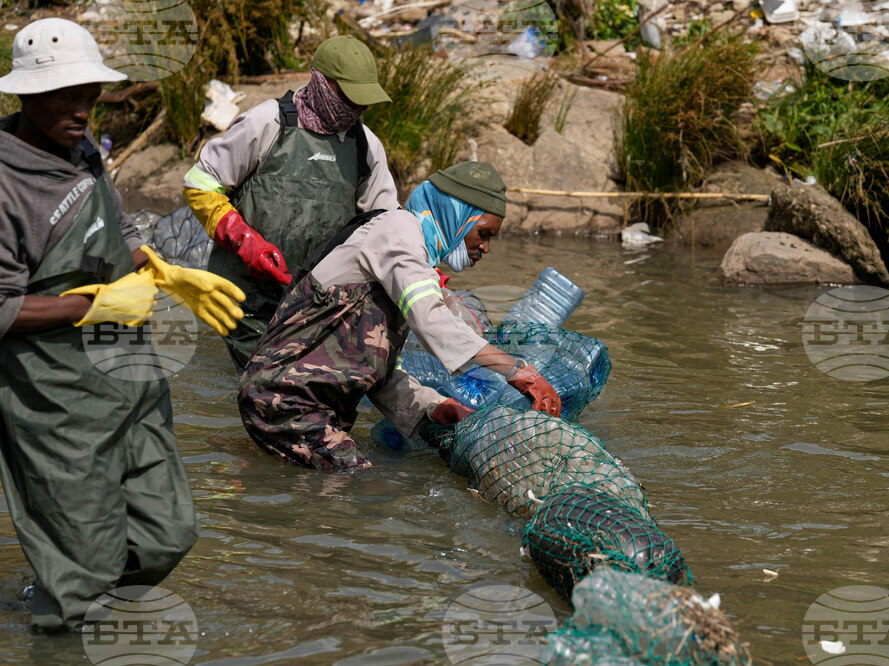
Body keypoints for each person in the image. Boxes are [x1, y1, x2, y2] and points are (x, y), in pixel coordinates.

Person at [0, 18, 245, 630]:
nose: (82, 111)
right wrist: (94, 307)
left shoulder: (82, 150)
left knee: (169, 534)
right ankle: (62, 621)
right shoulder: (6, 186)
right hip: (55, 404)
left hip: (130, 382)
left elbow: (114, 230)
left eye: (89, 96)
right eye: (67, 97)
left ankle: (68, 600)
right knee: (83, 577)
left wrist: (160, 270)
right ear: (26, 96)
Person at [239, 161, 562, 470]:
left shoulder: (407, 258)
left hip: (308, 407)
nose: (485, 248)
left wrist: (430, 406)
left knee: (363, 487)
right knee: (363, 488)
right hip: (284, 400)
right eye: (484, 233)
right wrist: (517, 370)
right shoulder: (399, 231)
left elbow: (374, 370)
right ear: (457, 216)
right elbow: (432, 319)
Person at [183, 35, 399, 369]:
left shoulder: (366, 146)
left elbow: (386, 225)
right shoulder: (266, 122)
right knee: (263, 381)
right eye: (349, 97)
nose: (358, 109)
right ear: (322, 83)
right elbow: (200, 183)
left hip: (316, 303)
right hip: (246, 299)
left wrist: (416, 269)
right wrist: (246, 241)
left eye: (363, 101)